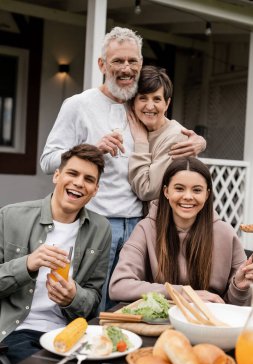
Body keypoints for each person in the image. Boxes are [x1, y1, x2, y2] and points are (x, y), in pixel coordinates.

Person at [40, 27, 206, 311]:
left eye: (133, 61)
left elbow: (171, 132)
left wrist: (199, 142)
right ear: (102, 65)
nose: (126, 68)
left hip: (140, 224)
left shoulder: (140, 104)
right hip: (96, 221)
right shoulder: (78, 105)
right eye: (118, 61)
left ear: (140, 65)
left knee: (129, 306)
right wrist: (92, 149)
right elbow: (48, 161)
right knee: (89, 303)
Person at [0, 144, 111, 364]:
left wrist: (73, 297)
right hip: (16, 331)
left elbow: (94, 300)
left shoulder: (101, 229)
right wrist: (28, 265)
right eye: (72, 173)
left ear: (95, 190)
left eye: (89, 179)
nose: (79, 183)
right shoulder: (10, 216)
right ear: (57, 176)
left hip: (69, 335)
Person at [109, 157, 252, 306]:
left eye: (197, 190)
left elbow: (237, 306)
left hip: (210, 323)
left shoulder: (225, 233)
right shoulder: (145, 229)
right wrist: (182, 293)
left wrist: (239, 288)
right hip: (160, 322)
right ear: (166, 192)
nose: (188, 197)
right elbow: (119, 286)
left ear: (207, 194)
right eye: (179, 188)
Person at [128, 65, 205, 201]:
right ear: (133, 102)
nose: (150, 106)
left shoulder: (176, 137)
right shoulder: (131, 126)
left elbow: (147, 191)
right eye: (143, 98)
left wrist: (141, 142)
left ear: (167, 103)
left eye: (157, 99)